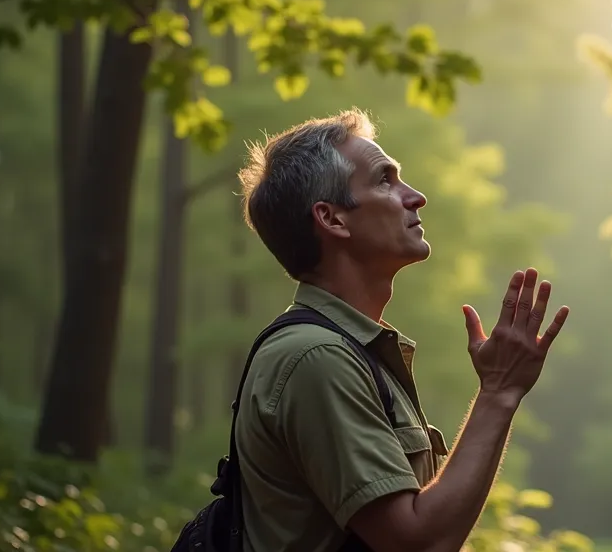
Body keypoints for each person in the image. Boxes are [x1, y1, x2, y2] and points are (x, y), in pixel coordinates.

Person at [233, 108, 569, 552]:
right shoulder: (317, 358)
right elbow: (417, 543)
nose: (416, 197)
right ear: (332, 219)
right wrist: (499, 392)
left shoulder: (349, 351)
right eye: (384, 180)